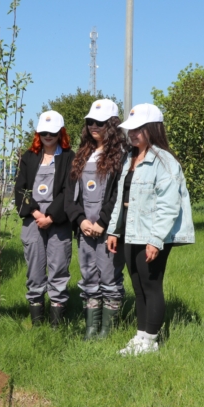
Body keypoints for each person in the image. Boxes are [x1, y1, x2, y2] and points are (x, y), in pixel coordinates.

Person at [106, 103, 194, 355]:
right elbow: (122, 200)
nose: (132, 134)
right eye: (130, 130)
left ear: (153, 129)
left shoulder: (164, 162)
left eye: (138, 129)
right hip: (131, 232)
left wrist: (156, 240)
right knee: (138, 285)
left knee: (151, 284)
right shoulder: (130, 159)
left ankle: (151, 341)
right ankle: (141, 336)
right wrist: (113, 230)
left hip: (152, 234)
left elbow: (169, 205)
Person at [64, 100, 127, 339]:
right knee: (89, 275)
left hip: (108, 227)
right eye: (89, 122)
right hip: (85, 228)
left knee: (109, 275)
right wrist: (80, 220)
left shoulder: (122, 156)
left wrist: (102, 222)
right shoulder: (82, 155)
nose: (93, 126)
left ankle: (107, 331)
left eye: (99, 123)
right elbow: (70, 195)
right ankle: (91, 329)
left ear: (111, 125)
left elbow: (117, 195)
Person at [14, 110, 74, 328]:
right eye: (44, 132)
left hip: (59, 222)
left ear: (61, 133)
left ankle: (56, 324)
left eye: (53, 132)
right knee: (35, 270)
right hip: (33, 220)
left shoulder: (69, 157)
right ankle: (38, 324)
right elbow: (20, 190)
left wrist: (51, 217)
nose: (48, 136)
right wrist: (37, 213)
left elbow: (69, 190)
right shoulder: (28, 157)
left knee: (58, 269)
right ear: (38, 133)